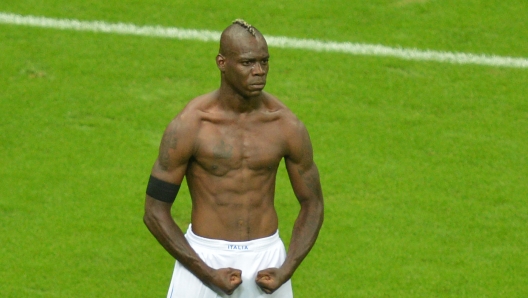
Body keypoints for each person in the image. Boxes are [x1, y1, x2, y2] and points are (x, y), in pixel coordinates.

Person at [143, 19, 324, 298]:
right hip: (205, 258)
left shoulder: (285, 125)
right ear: (222, 62)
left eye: (264, 62)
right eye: (248, 63)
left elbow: (312, 204)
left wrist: (287, 267)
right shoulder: (191, 125)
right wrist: (205, 272)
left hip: (268, 262)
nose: (259, 72)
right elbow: (154, 210)